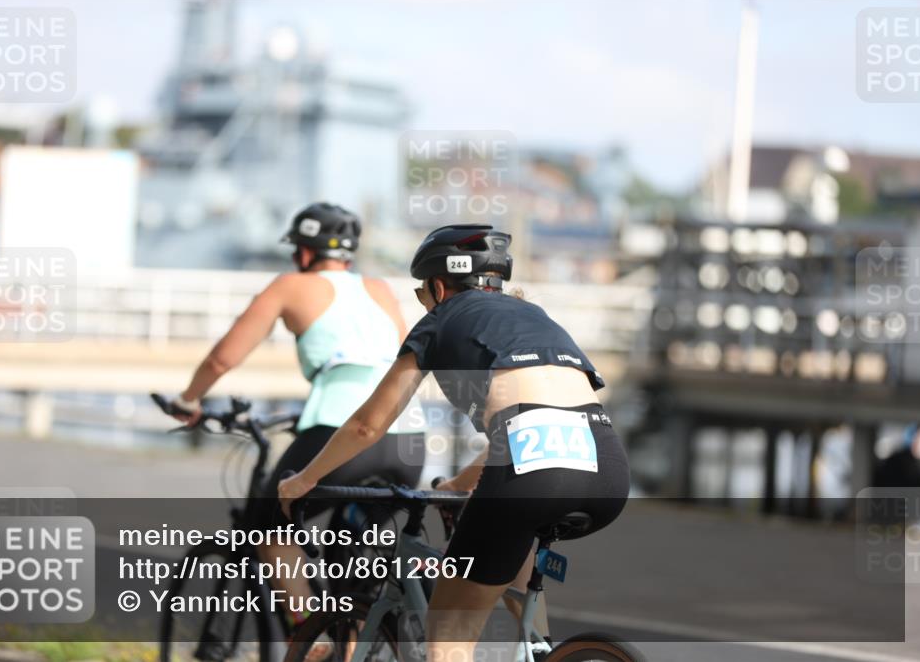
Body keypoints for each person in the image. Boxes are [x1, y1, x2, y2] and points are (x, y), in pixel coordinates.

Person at [279, 223, 630, 662]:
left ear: (438, 286)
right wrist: (461, 484)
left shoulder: (439, 321)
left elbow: (368, 426)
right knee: (518, 584)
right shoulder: (537, 319)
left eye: (421, 294)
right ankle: (540, 651)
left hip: (531, 477)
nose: (423, 304)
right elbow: (538, 426)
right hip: (607, 466)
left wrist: (305, 479)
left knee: (447, 640)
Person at [168, 203, 425, 660]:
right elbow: (400, 359)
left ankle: (308, 638)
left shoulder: (291, 285)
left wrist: (189, 400)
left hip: (341, 431)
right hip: (407, 439)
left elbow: (222, 359)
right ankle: (355, 644)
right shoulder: (379, 289)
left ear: (304, 253)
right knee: (353, 567)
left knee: (268, 528)